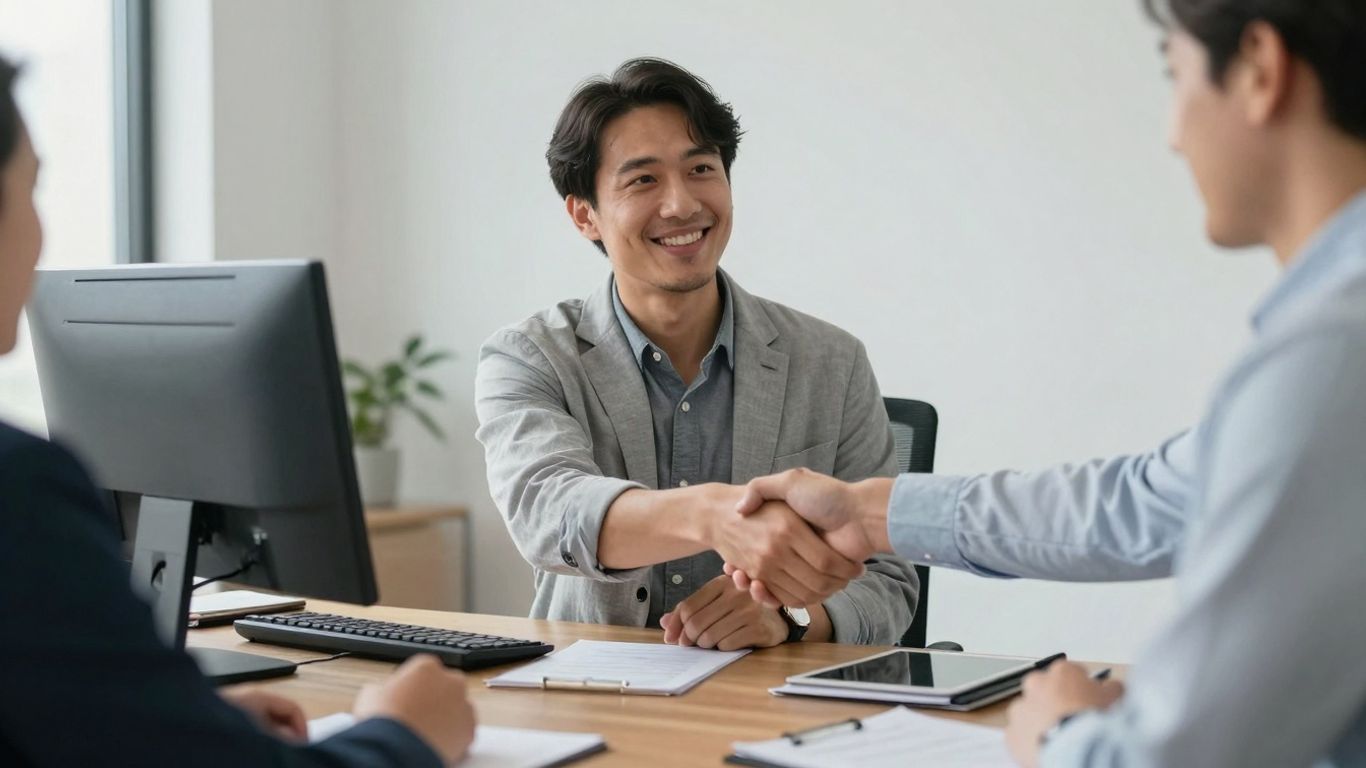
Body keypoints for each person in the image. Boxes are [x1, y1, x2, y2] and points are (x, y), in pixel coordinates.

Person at [724, 1, 1366, 765]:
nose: (1172, 133)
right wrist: (870, 512)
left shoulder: (1329, 361)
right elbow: (1145, 498)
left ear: (1260, 70)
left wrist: (1061, 730)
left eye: (1176, 77)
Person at [0, 56, 476, 767]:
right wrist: (402, 733)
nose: (41, 231)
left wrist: (164, 720)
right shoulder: (19, 492)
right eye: (30, 188)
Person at [474, 58, 918, 650]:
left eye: (701, 169)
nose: (682, 204)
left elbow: (890, 581)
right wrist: (713, 514)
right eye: (643, 180)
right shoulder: (528, 358)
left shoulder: (832, 362)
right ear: (585, 215)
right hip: (591, 698)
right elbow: (549, 512)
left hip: (768, 710)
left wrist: (793, 617)